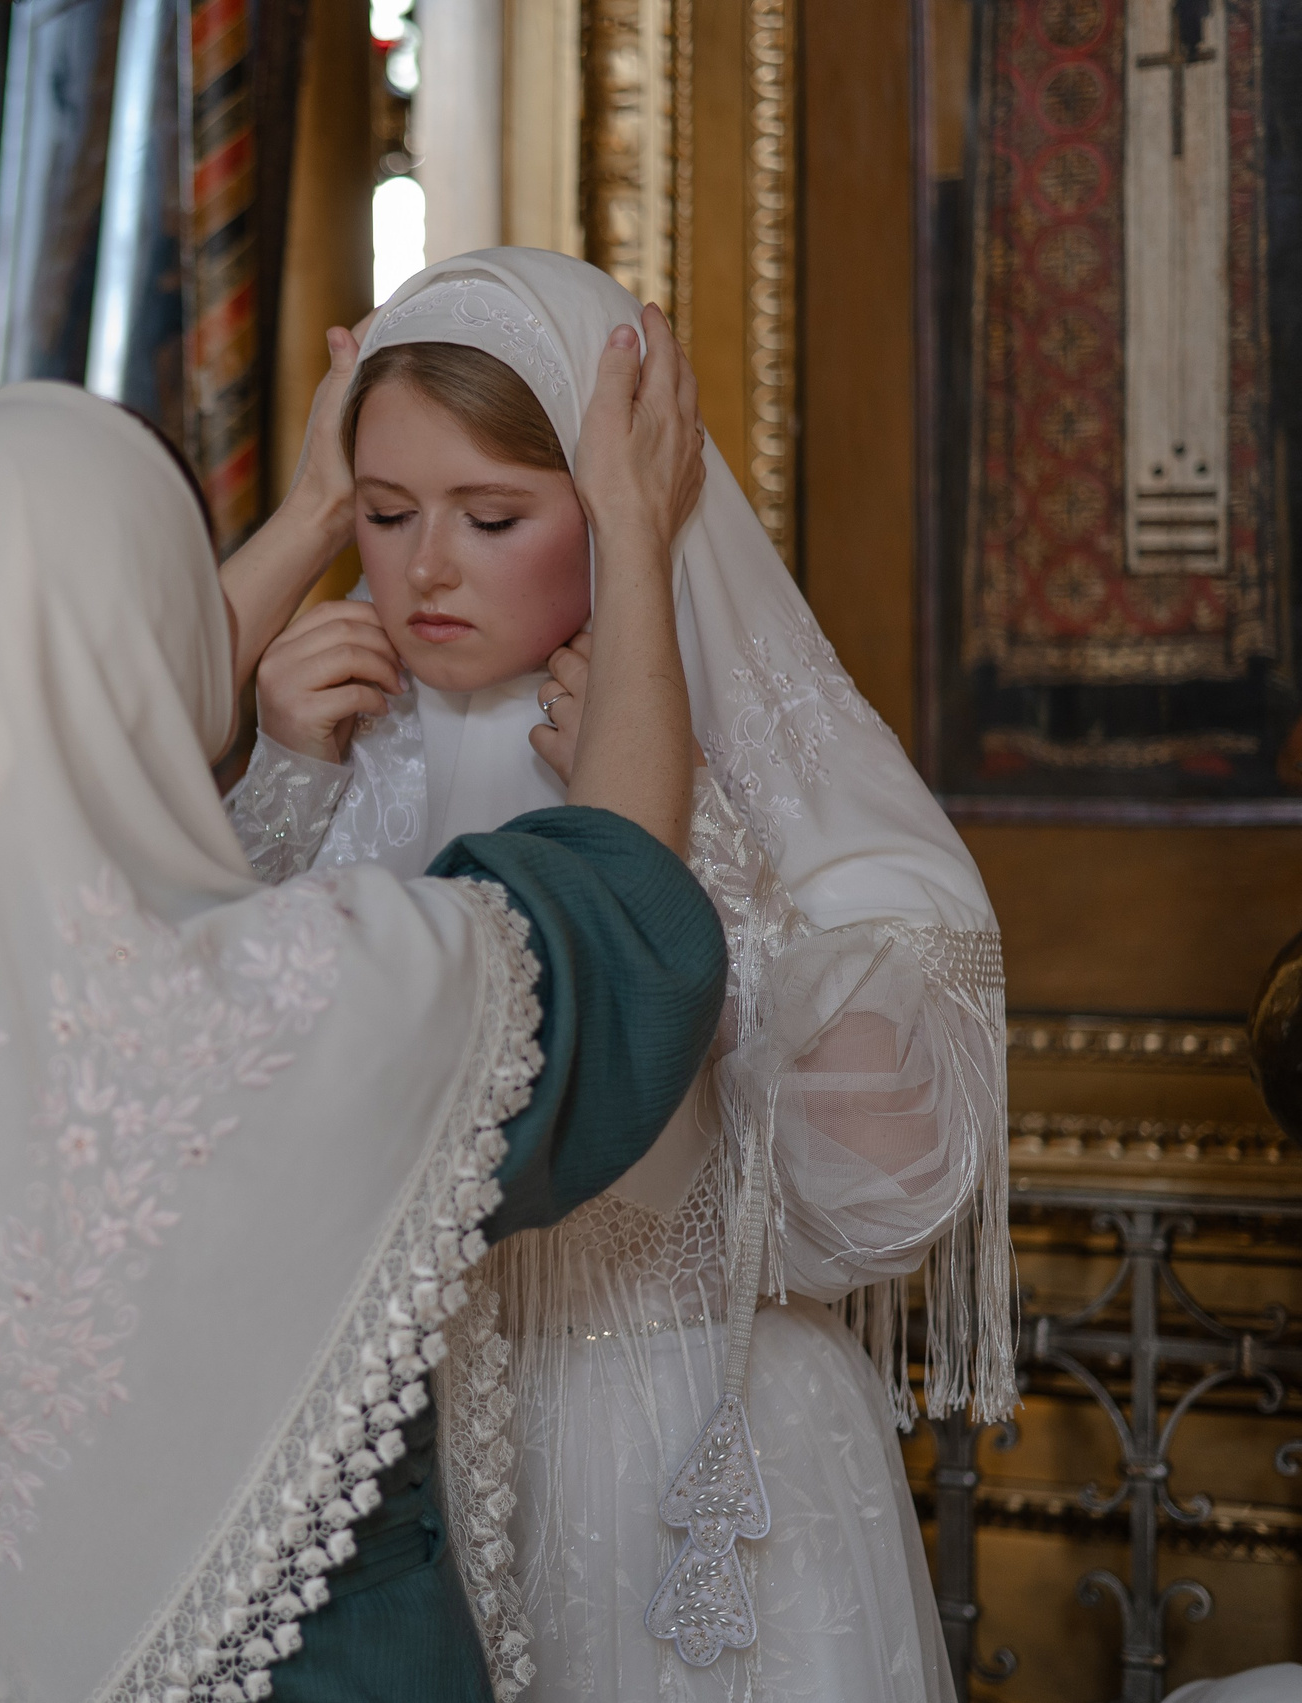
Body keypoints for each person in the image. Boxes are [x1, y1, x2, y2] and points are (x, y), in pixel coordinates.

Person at [0, 300, 729, 1703]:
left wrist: (323, 504)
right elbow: (625, 918)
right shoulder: (287, 996)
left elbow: (82, 701)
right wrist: (630, 527)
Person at [222, 249, 1010, 1702]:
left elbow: (871, 1175)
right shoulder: (327, 747)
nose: (426, 566)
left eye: (495, 514)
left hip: (675, 1438)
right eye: (385, 513)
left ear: (625, 506)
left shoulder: (757, 778)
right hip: (381, 1474)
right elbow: (190, 1094)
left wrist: (688, 823)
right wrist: (276, 772)